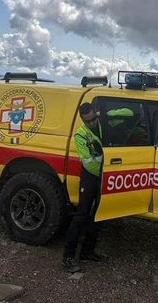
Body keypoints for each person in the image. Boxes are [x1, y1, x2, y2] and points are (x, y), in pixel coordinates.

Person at [62, 102, 106, 273]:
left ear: (97, 113)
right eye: (88, 121)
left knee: (100, 214)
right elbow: (88, 163)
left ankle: (88, 251)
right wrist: (105, 161)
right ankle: (68, 257)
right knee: (81, 215)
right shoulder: (80, 135)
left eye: (94, 119)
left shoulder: (103, 122)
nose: (92, 123)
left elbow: (125, 112)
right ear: (82, 120)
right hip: (90, 177)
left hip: (103, 175)